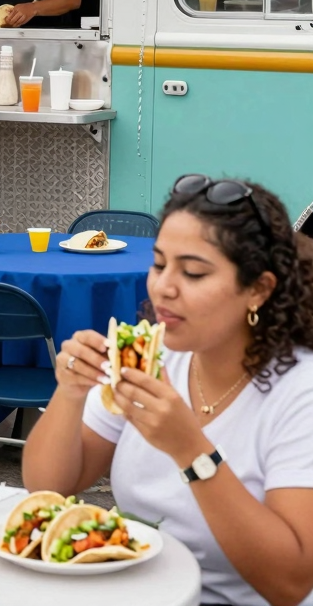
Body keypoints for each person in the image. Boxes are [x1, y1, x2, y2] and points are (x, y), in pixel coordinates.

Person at [22, 175, 313, 606]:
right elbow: (49, 486)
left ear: (258, 289)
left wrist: (192, 452)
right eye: (159, 264)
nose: (164, 287)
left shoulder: (299, 391)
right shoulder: (149, 355)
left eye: (193, 272)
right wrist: (70, 391)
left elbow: (290, 584)